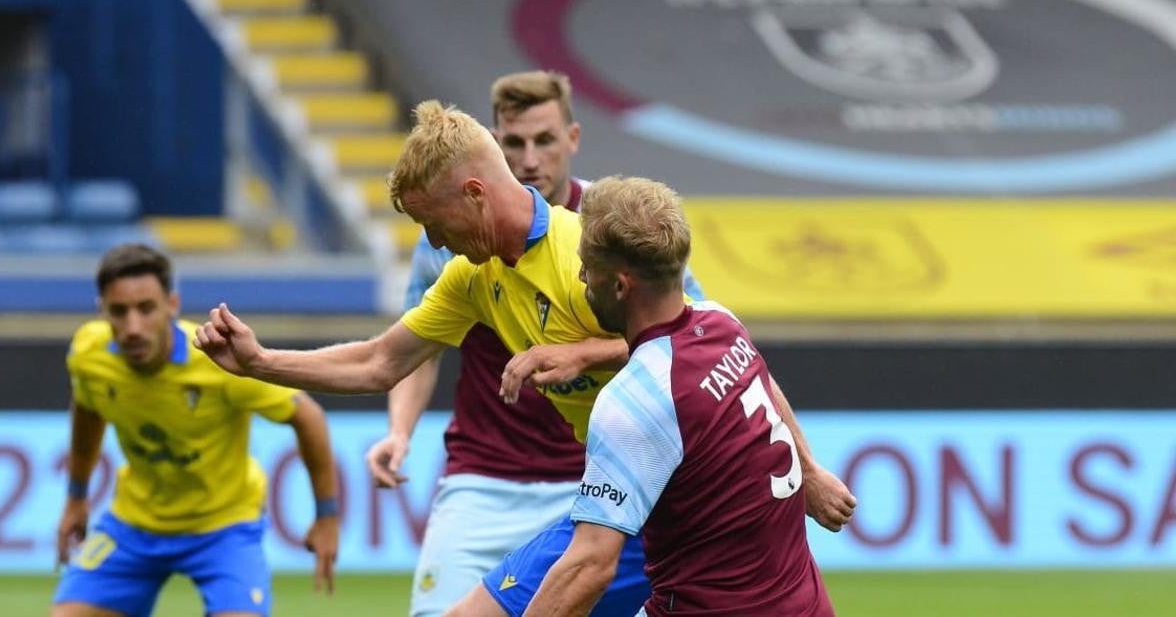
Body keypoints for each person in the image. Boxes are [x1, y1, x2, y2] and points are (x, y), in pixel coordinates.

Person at [193, 101, 852, 617]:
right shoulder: (472, 277)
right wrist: (259, 362)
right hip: (607, 496)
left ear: (475, 194)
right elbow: (379, 362)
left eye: (434, 221)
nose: (433, 242)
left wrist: (812, 471)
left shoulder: (584, 256)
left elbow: (698, 339)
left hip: (663, 505)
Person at [364, 71, 705, 616]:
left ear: (571, 139)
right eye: (514, 142)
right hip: (483, 475)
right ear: (493, 149)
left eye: (543, 140)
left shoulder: (613, 221)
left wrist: (582, 352)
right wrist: (398, 432)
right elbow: (408, 352)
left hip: (592, 478)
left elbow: (691, 335)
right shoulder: (448, 238)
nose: (529, 158)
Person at [525, 176, 837, 616]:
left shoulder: (637, 398)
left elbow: (590, 564)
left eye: (587, 267)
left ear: (620, 285)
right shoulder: (725, 326)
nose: (580, 278)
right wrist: (811, 473)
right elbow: (769, 396)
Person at [52, 243, 340, 617]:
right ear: (101, 310)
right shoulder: (89, 354)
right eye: (119, 311)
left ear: (172, 304)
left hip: (224, 526)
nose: (133, 327)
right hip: (134, 524)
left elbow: (308, 417)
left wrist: (327, 516)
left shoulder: (218, 360)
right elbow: (89, 408)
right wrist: (76, 496)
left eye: (146, 308)